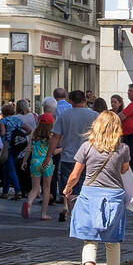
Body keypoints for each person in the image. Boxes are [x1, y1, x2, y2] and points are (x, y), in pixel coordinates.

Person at [64, 110, 133, 265]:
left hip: (89, 195)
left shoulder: (87, 147)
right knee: (113, 241)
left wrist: (68, 189)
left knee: (90, 239)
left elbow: (75, 175)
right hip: (114, 196)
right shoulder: (123, 149)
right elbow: (125, 170)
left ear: (97, 125)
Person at [50, 90, 96, 221]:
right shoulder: (94, 115)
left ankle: (72, 212)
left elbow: (55, 137)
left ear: (70, 101)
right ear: (85, 100)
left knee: (68, 187)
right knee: (86, 186)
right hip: (89, 157)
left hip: (68, 157)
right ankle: (83, 212)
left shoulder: (64, 115)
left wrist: (49, 156)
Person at [22, 113, 56, 218]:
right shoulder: (51, 136)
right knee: (46, 188)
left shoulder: (34, 133)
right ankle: (43, 214)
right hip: (47, 162)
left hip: (35, 162)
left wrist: (24, 161)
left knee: (35, 189)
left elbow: (28, 149)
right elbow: (53, 151)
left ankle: (29, 203)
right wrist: (63, 149)